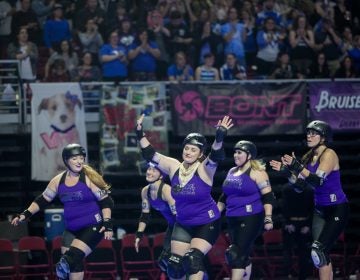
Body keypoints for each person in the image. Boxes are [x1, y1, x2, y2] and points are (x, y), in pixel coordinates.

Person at [136, 114, 233, 280]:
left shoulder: (205, 169)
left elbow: (216, 155)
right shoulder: (174, 166)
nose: (188, 152)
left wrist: (219, 136)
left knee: (192, 260)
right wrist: (139, 133)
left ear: (200, 153)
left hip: (206, 222)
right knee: (174, 268)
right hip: (183, 223)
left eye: (193, 149)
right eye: (186, 148)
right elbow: (150, 155)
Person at [11, 143, 114, 280]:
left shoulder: (89, 178)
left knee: (69, 259)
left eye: (81, 158)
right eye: (75, 158)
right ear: (66, 160)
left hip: (93, 226)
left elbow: (106, 201)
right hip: (71, 229)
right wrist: (25, 214)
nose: (79, 161)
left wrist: (107, 222)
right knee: (71, 265)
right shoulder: (58, 181)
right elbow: (42, 200)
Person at [269, 120, 350, 280]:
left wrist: (297, 167)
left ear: (324, 137)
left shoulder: (329, 154)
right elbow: (299, 187)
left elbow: (317, 181)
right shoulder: (309, 157)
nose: (309, 135)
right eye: (308, 132)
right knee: (319, 254)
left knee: (319, 249)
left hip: (337, 208)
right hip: (320, 210)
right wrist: (287, 172)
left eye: (314, 133)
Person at [217, 140, 275, 280]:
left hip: (251, 217)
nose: (236, 155)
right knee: (243, 254)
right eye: (235, 152)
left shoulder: (257, 172)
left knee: (235, 253)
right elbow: (224, 195)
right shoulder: (232, 171)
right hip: (232, 217)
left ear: (249, 155)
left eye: (239, 152)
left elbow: (268, 197)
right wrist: (215, 213)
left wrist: (268, 217)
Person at [134, 162, 176, 274]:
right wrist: (139, 234)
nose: (149, 172)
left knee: (176, 262)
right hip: (173, 227)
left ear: (161, 175)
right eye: (149, 169)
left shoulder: (166, 190)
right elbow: (145, 215)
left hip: (184, 226)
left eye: (154, 170)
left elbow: (179, 215)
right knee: (164, 262)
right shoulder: (145, 191)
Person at [280, 184, 314, 280]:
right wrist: (287, 223)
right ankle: (288, 275)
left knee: (303, 253)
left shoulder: (309, 190)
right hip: (290, 223)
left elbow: (312, 209)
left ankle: (303, 276)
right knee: (287, 251)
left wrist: (308, 225)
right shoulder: (286, 189)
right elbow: (284, 207)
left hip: (304, 223)